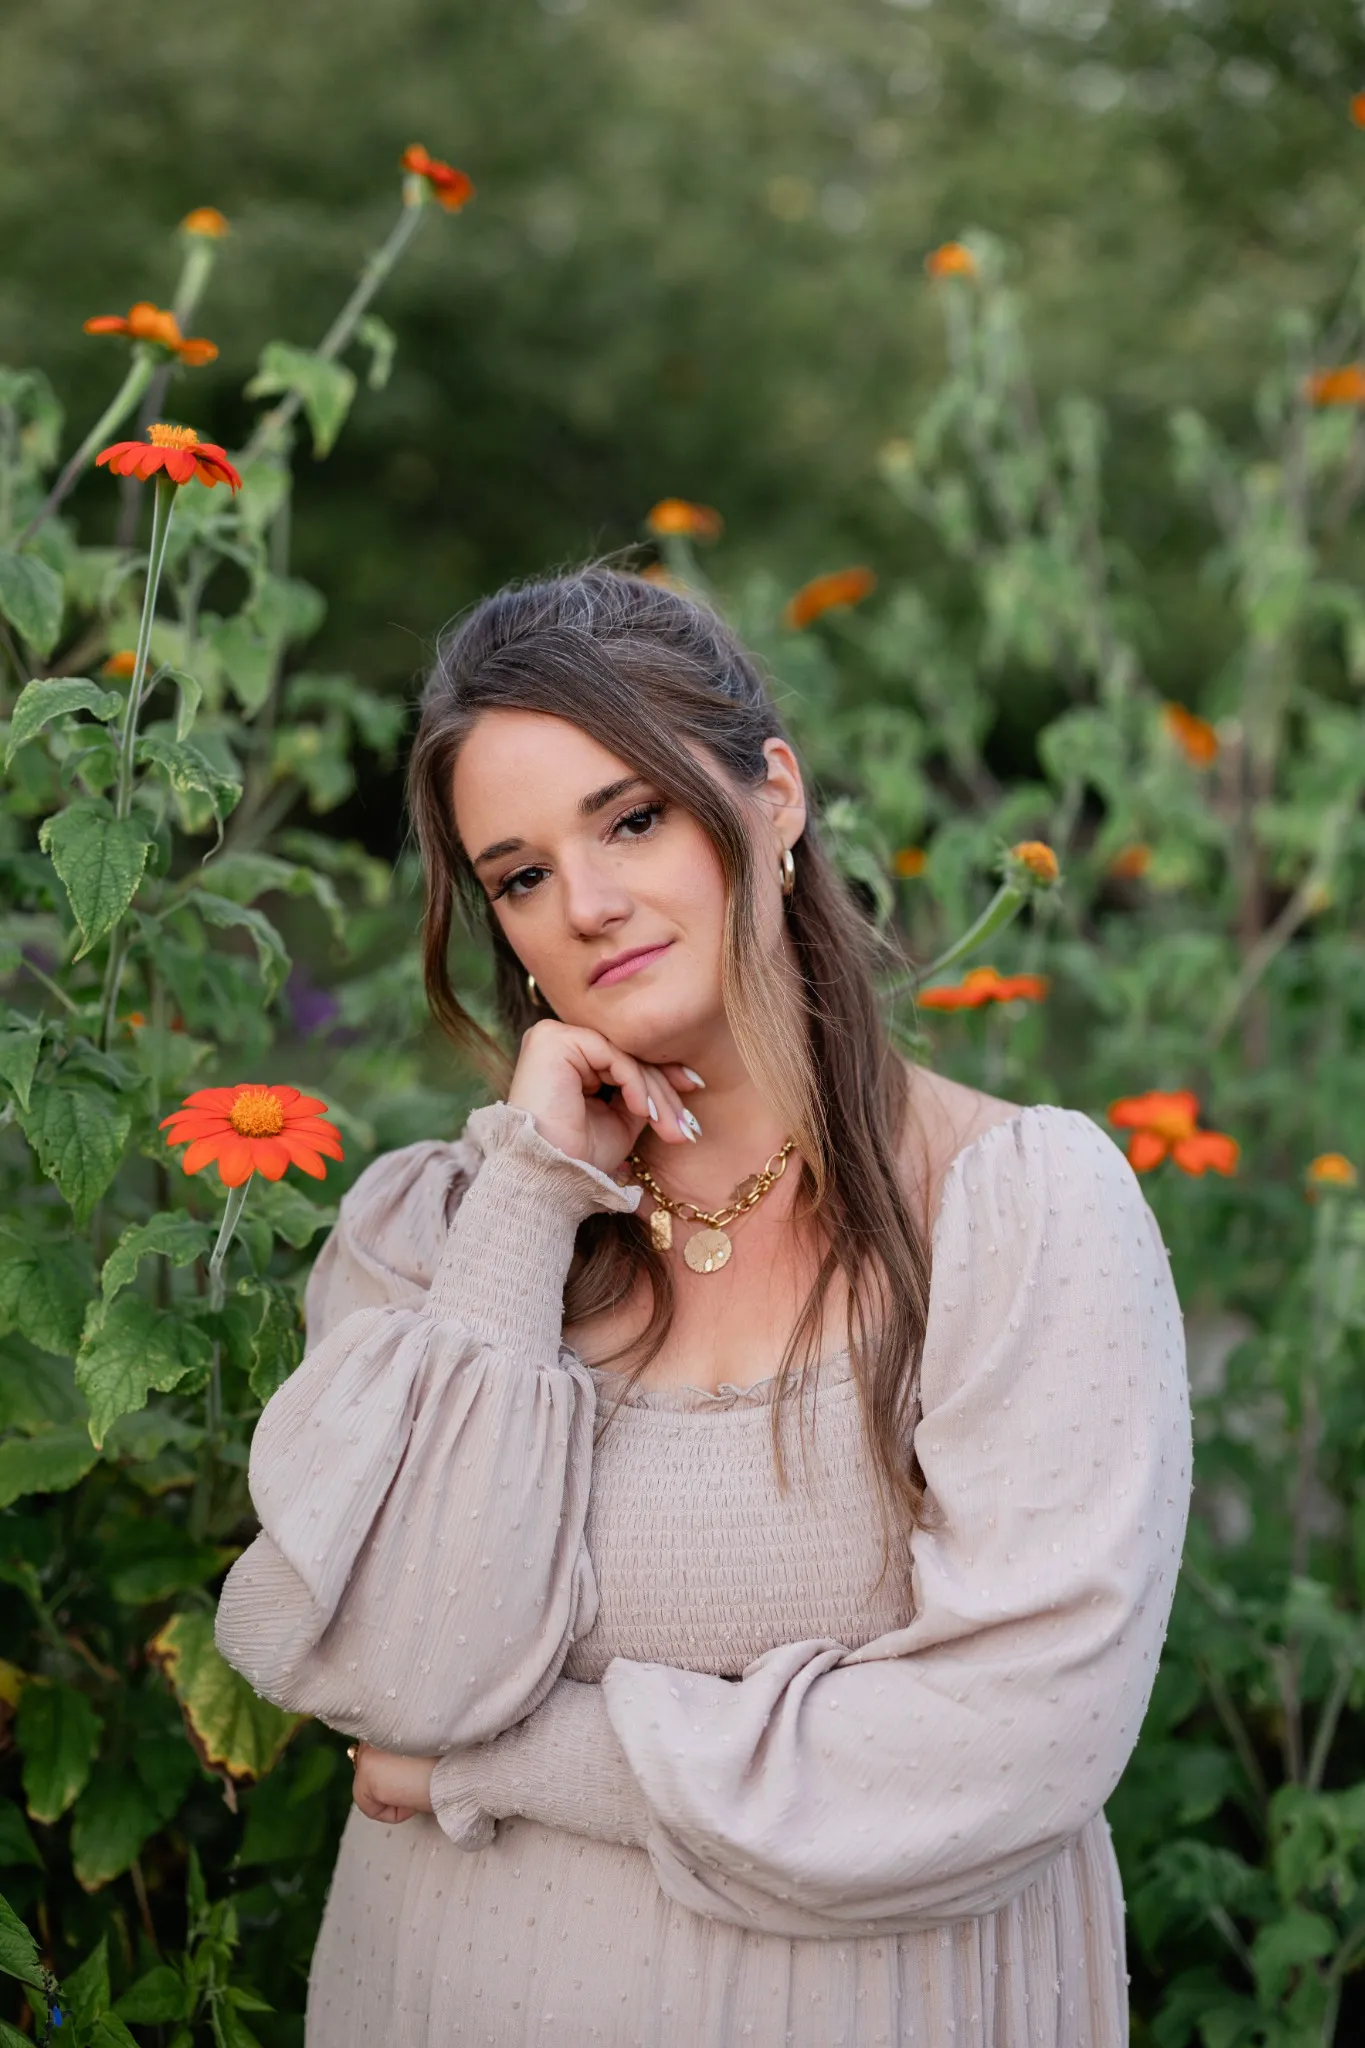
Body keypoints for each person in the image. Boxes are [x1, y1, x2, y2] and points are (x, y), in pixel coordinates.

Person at [215, 567, 1191, 2047]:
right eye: (522, 874)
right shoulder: (436, 1241)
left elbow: (1014, 1746)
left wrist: (498, 1764)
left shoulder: (1017, 1210)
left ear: (773, 798)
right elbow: (402, 1673)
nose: (590, 905)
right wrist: (537, 1197)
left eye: (633, 817)